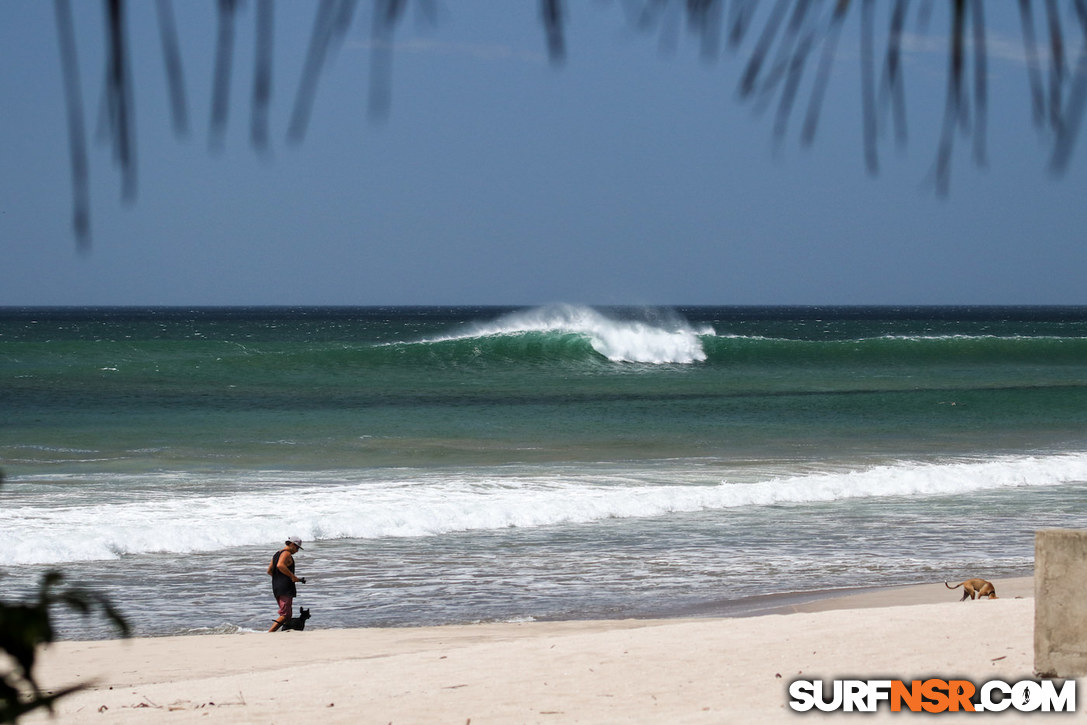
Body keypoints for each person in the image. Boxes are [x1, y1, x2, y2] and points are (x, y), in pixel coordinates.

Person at [267, 536, 306, 632]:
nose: (297, 551)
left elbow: (269, 571)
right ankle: (269, 633)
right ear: (292, 544)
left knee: (287, 614)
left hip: (276, 586)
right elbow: (280, 565)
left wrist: (279, 579)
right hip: (285, 588)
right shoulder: (287, 554)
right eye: (297, 548)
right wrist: (292, 577)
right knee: (285, 614)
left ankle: (286, 631)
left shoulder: (276, 554)